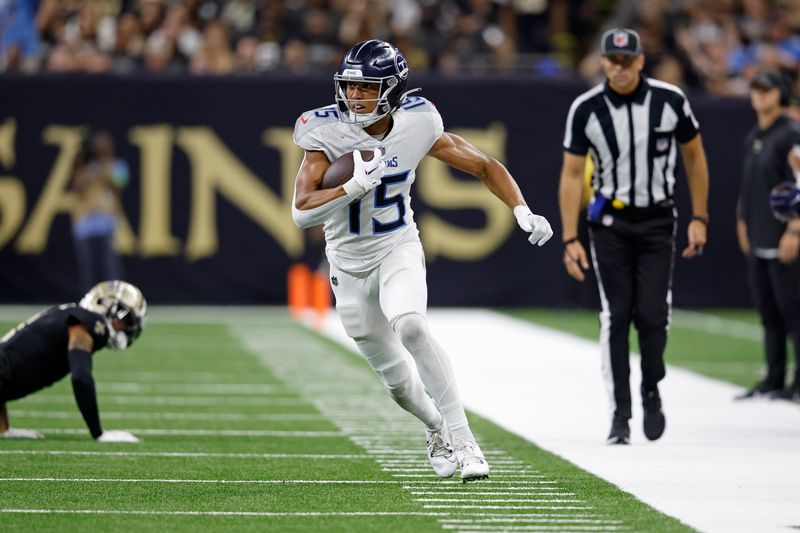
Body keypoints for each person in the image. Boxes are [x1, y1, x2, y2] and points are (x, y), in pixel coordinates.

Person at [291, 39, 553, 481]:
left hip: (397, 246)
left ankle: (466, 441)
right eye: (349, 87)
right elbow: (301, 212)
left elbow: (485, 166)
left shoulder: (417, 122)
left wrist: (522, 209)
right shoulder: (323, 131)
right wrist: (352, 186)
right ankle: (435, 427)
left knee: (411, 324)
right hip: (346, 264)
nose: (353, 97)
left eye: (366, 88)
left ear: (392, 90)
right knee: (397, 383)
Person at [558, 28, 709, 445]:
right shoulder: (586, 108)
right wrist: (570, 238)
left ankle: (651, 386)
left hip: (658, 219)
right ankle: (621, 414)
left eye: (627, 61)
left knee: (653, 315)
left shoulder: (670, 100)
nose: (620, 68)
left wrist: (700, 216)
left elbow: (694, 157)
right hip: (610, 223)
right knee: (617, 316)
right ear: (603, 62)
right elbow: (572, 175)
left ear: (641, 61)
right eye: (613, 60)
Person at [0, 280, 147, 442]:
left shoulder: (72, 313)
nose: (126, 327)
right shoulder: (86, 321)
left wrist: (4, 430)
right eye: (125, 319)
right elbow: (81, 378)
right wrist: (99, 433)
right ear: (104, 305)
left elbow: (8, 369)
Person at [736, 70, 800, 401]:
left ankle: (798, 382)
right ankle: (774, 377)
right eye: (755, 88)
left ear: (781, 94)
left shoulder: (791, 134)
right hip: (760, 235)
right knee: (768, 310)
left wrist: (795, 228)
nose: (759, 94)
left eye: (766, 89)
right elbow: (749, 187)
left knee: (794, 311)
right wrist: (742, 221)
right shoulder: (756, 135)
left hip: (784, 238)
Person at [69, 131, 130, 295]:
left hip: (106, 222)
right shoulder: (85, 167)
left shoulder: (117, 165)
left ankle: (116, 300)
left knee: (110, 267)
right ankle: (89, 302)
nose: (101, 149)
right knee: (87, 269)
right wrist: (80, 165)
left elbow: (119, 184)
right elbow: (76, 189)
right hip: (85, 222)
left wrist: (102, 169)